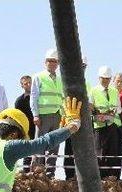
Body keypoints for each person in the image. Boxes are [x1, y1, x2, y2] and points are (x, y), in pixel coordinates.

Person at [30, 49, 64, 179]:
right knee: (40, 144)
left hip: (57, 115)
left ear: (58, 63)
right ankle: (37, 172)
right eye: (50, 61)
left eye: (55, 61)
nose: (52, 63)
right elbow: (34, 97)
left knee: (54, 145)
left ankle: (50, 173)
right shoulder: (39, 77)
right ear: (45, 62)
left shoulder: (60, 80)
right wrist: (35, 115)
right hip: (43, 116)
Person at [90, 66, 121, 178]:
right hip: (99, 126)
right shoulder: (93, 91)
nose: (105, 81)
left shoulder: (114, 91)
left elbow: (119, 108)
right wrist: (97, 114)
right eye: (103, 78)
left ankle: (110, 177)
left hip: (111, 125)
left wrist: (111, 113)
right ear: (99, 78)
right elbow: (90, 106)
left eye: (107, 78)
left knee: (112, 151)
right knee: (99, 152)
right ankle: (99, 176)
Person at [63, 55, 88, 180]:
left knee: (82, 150)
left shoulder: (87, 85)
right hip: (70, 121)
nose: (81, 69)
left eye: (83, 66)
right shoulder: (66, 83)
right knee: (69, 149)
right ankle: (69, 176)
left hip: (83, 123)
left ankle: (80, 176)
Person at [14, 75, 36, 172]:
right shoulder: (19, 101)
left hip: (39, 128)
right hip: (26, 130)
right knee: (27, 153)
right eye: (25, 83)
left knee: (40, 152)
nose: (28, 85)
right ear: (22, 86)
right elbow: (17, 118)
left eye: (30, 82)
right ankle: (26, 174)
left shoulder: (39, 98)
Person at [113, 72, 122, 179]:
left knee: (119, 152)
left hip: (121, 127)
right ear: (113, 81)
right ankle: (108, 175)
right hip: (109, 126)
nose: (119, 83)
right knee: (110, 151)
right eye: (118, 81)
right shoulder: (108, 92)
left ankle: (116, 176)